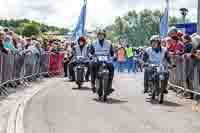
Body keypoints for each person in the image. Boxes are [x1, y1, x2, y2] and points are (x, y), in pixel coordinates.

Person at [90, 29, 115, 94]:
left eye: (102, 35)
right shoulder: (94, 43)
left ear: (104, 36)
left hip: (107, 60)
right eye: (99, 35)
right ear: (97, 36)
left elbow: (112, 52)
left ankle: (109, 86)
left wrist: (114, 56)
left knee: (112, 67)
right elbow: (91, 52)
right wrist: (91, 56)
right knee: (92, 66)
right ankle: (93, 85)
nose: (100, 36)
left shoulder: (109, 43)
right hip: (97, 59)